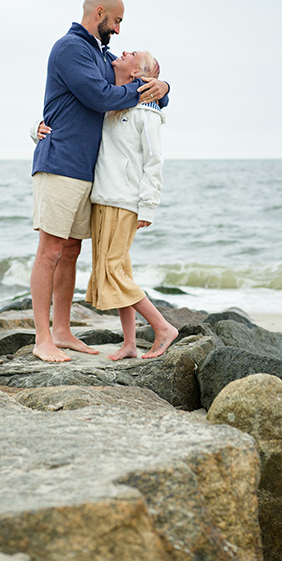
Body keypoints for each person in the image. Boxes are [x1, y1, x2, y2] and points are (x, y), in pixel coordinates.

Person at [30, 0, 169, 363]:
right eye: (117, 21)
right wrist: (147, 91)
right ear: (100, 13)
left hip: (87, 172)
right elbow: (100, 95)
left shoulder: (99, 52)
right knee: (50, 251)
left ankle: (62, 330)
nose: (119, 31)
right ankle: (42, 338)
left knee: (71, 250)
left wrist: (164, 88)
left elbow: (135, 76)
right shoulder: (71, 48)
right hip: (60, 163)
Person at [84, 50, 179, 359]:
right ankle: (129, 343)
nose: (123, 52)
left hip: (125, 201)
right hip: (103, 197)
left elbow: (155, 161)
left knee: (112, 271)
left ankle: (163, 328)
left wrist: (148, 206)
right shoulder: (113, 104)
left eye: (133, 54)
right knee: (120, 269)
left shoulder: (147, 114)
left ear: (139, 74)